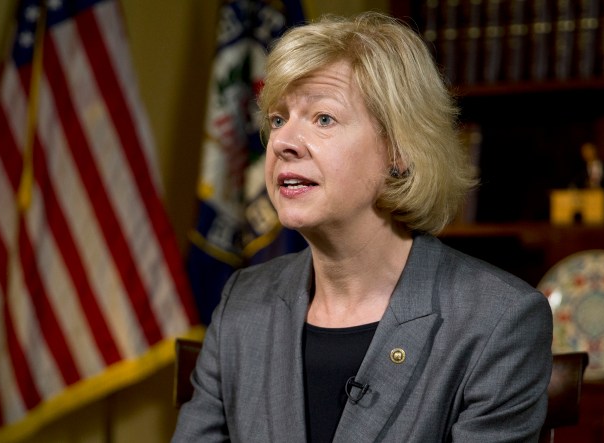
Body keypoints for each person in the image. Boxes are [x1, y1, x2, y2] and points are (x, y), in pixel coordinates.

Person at [173, 11, 552, 442]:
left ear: (399, 150)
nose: (282, 142)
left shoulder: (498, 320)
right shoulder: (243, 302)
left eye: (323, 119)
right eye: (278, 119)